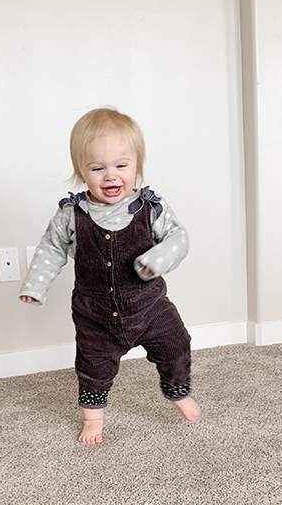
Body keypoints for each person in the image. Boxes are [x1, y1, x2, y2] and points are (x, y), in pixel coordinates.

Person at [19, 107, 199, 444]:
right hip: (95, 314)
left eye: (121, 166)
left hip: (149, 307)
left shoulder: (151, 208)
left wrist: (156, 260)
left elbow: (179, 238)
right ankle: (93, 418)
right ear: (81, 172)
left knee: (177, 344)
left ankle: (177, 390)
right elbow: (51, 248)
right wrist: (35, 285)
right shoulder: (71, 214)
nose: (110, 176)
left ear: (137, 166)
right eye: (98, 168)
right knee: (93, 367)